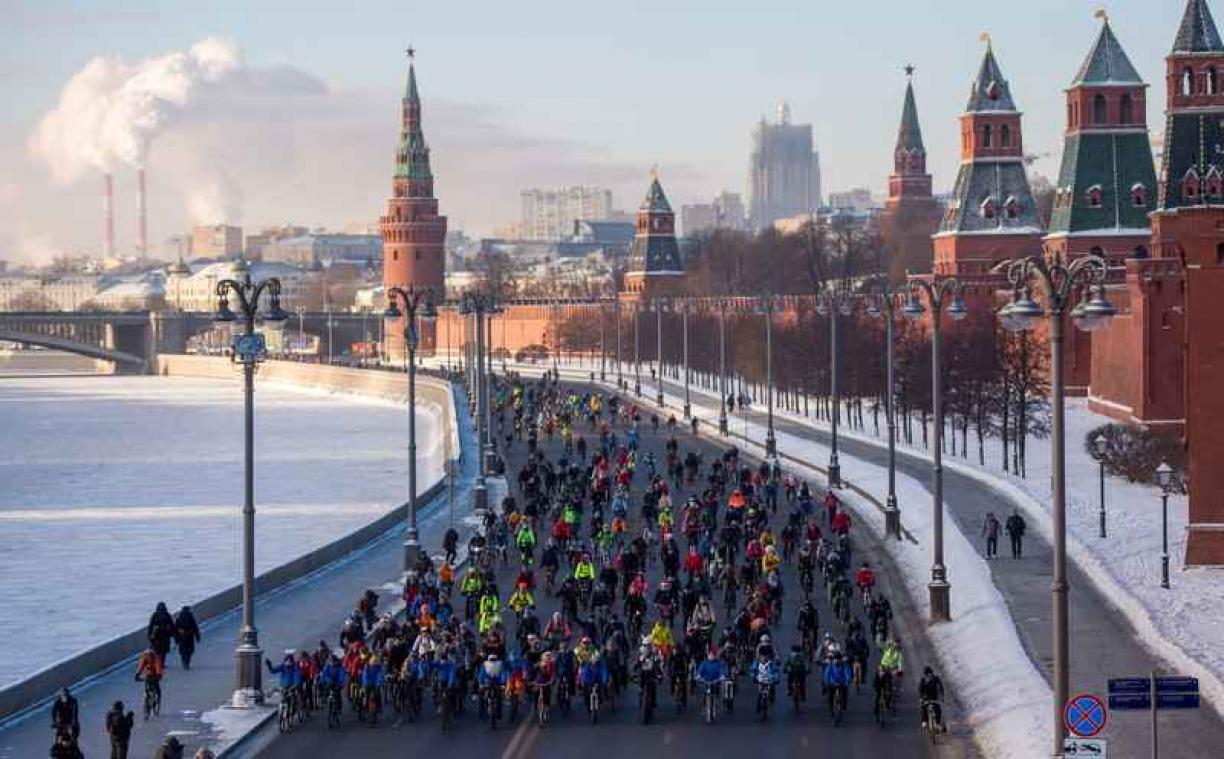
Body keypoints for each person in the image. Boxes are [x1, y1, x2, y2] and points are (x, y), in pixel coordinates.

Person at [135, 646, 165, 714]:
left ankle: (147, 701)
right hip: (154, 676)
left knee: (147, 690)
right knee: (158, 691)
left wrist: (137, 674)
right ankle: (157, 704)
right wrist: (159, 675)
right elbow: (158, 666)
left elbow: (141, 666)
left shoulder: (144, 657)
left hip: (148, 676)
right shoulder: (155, 657)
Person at [918, 666, 946, 732]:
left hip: (934, 698)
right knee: (923, 708)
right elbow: (920, 689)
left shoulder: (936, 679)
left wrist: (942, 696)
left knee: (938, 709)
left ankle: (938, 723)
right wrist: (921, 697)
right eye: (927, 674)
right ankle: (924, 722)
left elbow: (940, 687)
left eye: (930, 674)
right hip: (926, 698)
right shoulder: (923, 680)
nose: (929, 676)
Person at [173, 605, 201, 670]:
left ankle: (183, 662)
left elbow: (175, 630)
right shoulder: (191, 618)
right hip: (190, 637)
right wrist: (197, 637)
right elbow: (195, 628)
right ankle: (187, 663)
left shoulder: (178, 619)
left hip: (181, 638)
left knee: (183, 651)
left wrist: (176, 639)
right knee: (189, 651)